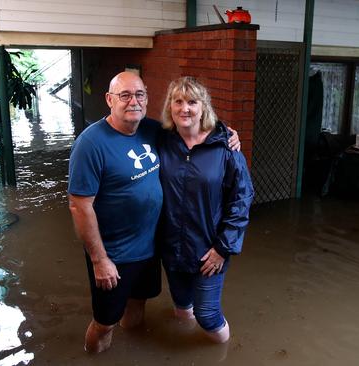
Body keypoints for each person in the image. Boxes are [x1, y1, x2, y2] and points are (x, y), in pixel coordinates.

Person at [68, 72, 240, 353]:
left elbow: (195, 125)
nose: (132, 102)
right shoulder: (91, 143)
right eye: (124, 95)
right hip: (115, 254)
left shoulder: (152, 130)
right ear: (109, 99)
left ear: (147, 99)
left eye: (139, 95)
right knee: (105, 321)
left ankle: (135, 349)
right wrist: (100, 260)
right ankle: (94, 355)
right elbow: (79, 205)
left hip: (151, 249)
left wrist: (227, 133)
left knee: (138, 305)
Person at [158, 76, 254, 344]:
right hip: (172, 246)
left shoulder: (225, 146)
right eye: (178, 102)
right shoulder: (162, 141)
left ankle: (225, 352)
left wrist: (224, 248)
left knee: (208, 315)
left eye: (192, 102)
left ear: (204, 107)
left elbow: (242, 199)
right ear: (170, 107)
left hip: (210, 249)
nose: (184, 108)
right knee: (181, 306)